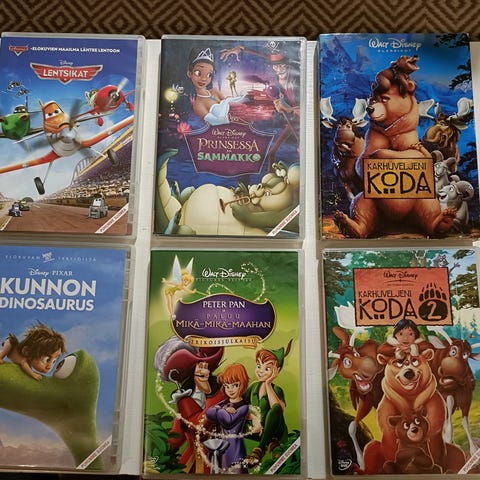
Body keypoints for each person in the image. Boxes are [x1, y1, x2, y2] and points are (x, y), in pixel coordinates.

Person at [154, 336, 226, 473]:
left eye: (204, 366)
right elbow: (178, 436)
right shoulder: (185, 400)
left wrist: (209, 393)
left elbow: (201, 426)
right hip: (195, 463)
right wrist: (156, 447)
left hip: (223, 459)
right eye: (198, 367)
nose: (202, 370)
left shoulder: (222, 391)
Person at [244, 339, 293, 464]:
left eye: (267, 368)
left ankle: (260, 449)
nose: (260, 371)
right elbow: (240, 404)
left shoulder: (276, 389)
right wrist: (253, 418)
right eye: (258, 366)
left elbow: (279, 410)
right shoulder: (254, 387)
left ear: (276, 370)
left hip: (274, 429)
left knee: (275, 408)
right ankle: (271, 442)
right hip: (257, 429)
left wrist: (268, 383)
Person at [206, 363, 251, 473]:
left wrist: (220, 410)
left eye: (235, 385)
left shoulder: (244, 407)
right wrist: (224, 410)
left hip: (234, 451)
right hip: (219, 450)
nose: (230, 389)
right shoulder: (224, 403)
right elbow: (209, 413)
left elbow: (228, 420)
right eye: (227, 386)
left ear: (243, 384)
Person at [187, 47, 244, 125]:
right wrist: (227, 101)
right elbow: (215, 122)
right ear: (190, 74)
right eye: (198, 73)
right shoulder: (198, 105)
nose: (204, 78)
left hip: (232, 128)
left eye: (209, 75)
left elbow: (230, 109)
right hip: (220, 130)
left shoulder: (215, 91)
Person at [0, 322, 66, 380]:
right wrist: (33, 374)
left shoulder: (28, 363)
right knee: (10, 341)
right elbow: (24, 365)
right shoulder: (24, 360)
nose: (49, 366)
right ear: (27, 351)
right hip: (10, 343)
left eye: (54, 361)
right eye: (47, 360)